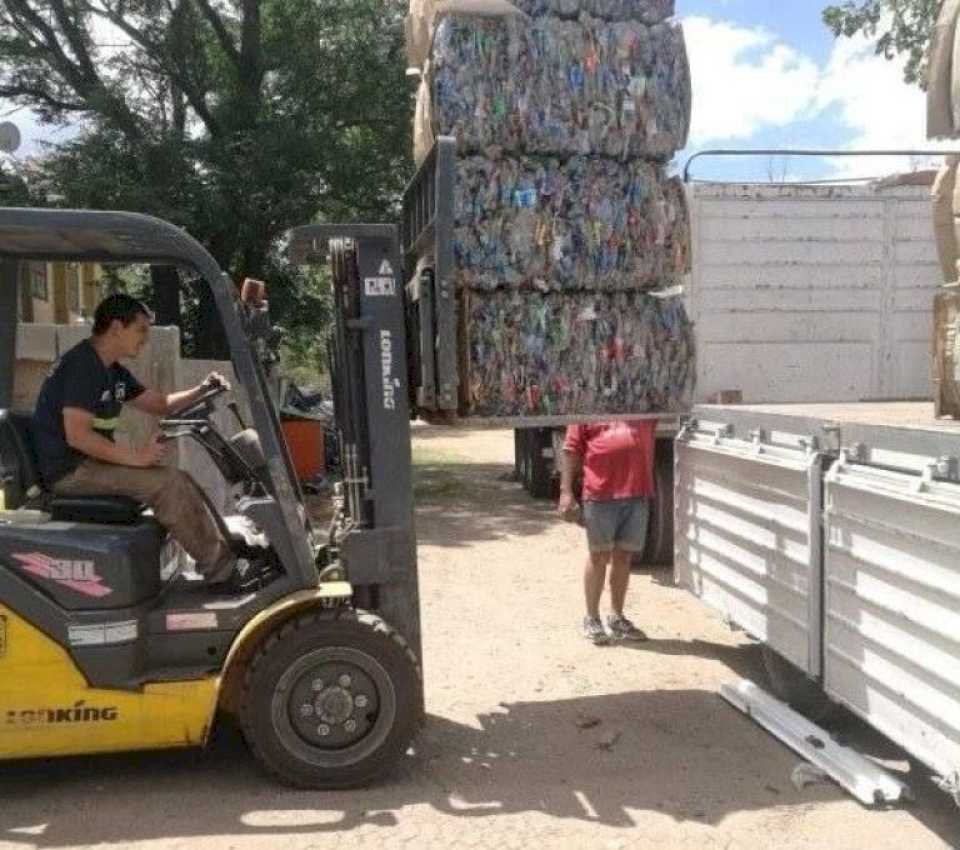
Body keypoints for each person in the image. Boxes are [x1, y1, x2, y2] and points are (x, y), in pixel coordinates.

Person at [32, 293, 236, 585]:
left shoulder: (111, 370)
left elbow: (160, 404)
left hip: (90, 464)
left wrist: (203, 389)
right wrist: (137, 457)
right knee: (168, 484)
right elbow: (77, 436)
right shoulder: (83, 366)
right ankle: (222, 572)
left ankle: (220, 556)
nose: (145, 338)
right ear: (116, 327)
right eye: (141, 330)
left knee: (180, 479)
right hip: (71, 471)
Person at [559, 419, 657, 645]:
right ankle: (592, 618)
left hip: (637, 492)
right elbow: (571, 449)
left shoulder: (643, 408)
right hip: (600, 492)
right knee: (599, 556)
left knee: (624, 556)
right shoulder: (587, 407)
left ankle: (616, 617)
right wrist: (566, 492)